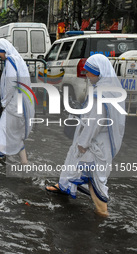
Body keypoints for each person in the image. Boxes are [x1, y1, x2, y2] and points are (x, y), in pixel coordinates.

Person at [46, 54, 126, 217]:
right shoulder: (110, 90)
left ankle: (103, 212)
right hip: (97, 143)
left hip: (95, 145)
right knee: (75, 163)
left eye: (89, 72)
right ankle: (63, 186)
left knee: (95, 177)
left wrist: (83, 143)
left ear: (99, 73)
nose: (87, 75)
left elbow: (94, 124)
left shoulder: (102, 95)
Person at [0, 38, 35, 171]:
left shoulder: (10, 62)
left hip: (12, 106)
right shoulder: (17, 59)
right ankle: (25, 164)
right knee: (16, 135)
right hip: (20, 106)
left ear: (4, 50)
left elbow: (10, 85)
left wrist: (3, 104)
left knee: (1, 134)